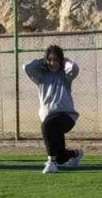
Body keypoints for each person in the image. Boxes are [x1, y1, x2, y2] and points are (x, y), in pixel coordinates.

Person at [24, 44, 83, 174]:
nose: (52, 63)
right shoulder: (40, 77)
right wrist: (42, 61)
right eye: (50, 60)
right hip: (49, 118)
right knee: (61, 155)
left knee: (46, 126)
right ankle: (76, 154)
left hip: (66, 116)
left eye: (56, 60)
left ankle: (51, 162)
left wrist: (65, 60)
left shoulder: (65, 76)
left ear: (60, 61)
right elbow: (27, 67)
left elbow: (74, 68)